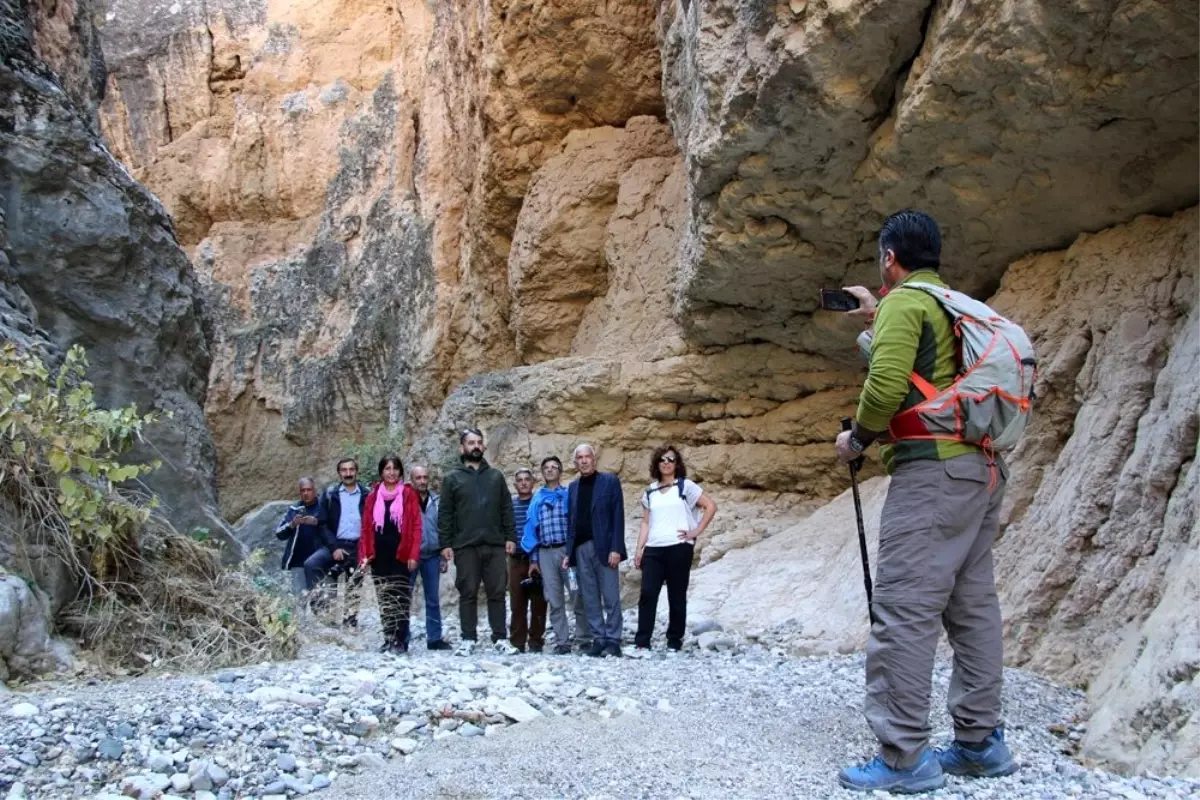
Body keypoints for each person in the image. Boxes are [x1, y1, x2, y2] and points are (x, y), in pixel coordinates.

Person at [835, 210, 1016, 793]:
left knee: (904, 610)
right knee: (972, 608)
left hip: (931, 476)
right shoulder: (950, 305)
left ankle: (903, 756)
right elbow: (926, 381)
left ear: (890, 258)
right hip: (979, 471)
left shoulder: (903, 305)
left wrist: (857, 438)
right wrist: (873, 319)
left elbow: (886, 388)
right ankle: (979, 743)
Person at [438, 428, 519, 656]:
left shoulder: (495, 476)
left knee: (497, 592)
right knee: (468, 592)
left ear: (483, 447)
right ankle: (468, 638)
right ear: (461, 448)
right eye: (470, 442)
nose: (475, 446)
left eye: (479, 442)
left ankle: (500, 638)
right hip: (465, 545)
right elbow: (445, 513)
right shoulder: (452, 478)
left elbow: (506, 509)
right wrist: (445, 543)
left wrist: (511, 537)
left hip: (494, 544)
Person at [631, 445, 717, 656]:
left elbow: (710, 506)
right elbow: (645, 522)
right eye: (662, 459)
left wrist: (695, 531)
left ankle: (674, 642)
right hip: (654, 547)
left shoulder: (685, 486)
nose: (666, 463)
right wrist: (639, 548)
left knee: (676, 595)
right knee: (648, 594)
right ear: (656, 464)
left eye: (671, 459)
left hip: (679, 547)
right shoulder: (650, 491)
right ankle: (642, 642)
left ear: (677, 464)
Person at [564, 444, 626, 658]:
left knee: (610, 595)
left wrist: (616, 548)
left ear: (594, 459)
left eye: (587, 457)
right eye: (579, 457)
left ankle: (613, 640)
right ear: (575, 462)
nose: (583, 461)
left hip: (605, 547)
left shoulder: (609, 482)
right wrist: (568, 552)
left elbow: (618, 516)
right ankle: (599, 639)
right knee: (589, 597)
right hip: (580, 550)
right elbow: (571, 521)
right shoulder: (573, 487)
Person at [359, 455, 421, 654]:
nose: (391, 472)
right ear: (381, 472)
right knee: (384, 596)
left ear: (400, 472)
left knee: (400, 596)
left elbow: (416, 527)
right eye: (387, 468)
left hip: (401, 553)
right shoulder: (372, 496)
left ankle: (401, 640)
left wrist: (413, 554)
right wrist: (365, 555)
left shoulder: (408, 494)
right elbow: (366, 528)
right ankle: (388, 637)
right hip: (379, 554)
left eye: (395, 468)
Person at [521, 456, 579, 655]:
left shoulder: (569, 495)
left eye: (555, 467)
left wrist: (573, 552)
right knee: (554, 599)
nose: (551, 470)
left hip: (566, 552)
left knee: (576, 594)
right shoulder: (537, 499)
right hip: (545, 553)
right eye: (547, 467)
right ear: (542, 472)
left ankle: (585, 638)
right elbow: (532, 530)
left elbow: (575, 525)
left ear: (560, 471)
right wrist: (534, 560)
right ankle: (563, 642)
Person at [305, 458, 367, 626]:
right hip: (334, 544)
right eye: (344, 470)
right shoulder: (330, 494)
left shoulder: (367, 494)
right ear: (339, 473)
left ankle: (350, 624)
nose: (348, 473)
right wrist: (334, 547)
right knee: (312, 564)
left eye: (351, 470)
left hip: (356, 546)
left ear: (356, 472)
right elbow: (322, 523)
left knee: (354, 584)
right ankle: (325, 613)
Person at [408, 465, 451, 650]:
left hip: (433, 555)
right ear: (412, 480)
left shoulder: (437, 501)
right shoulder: (405, 501)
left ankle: (434, 638)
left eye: (425, 477)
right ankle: (401, 638)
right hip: (411, 556)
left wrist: (443, 553)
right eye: (418, 478)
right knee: (405, 597)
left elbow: (443, 527)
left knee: (432, 599)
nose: (422, 481)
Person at [508, 468, 547, 653]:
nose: (523, 483)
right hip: (516, 559)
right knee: (517, 602)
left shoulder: (539, 503)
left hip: (538, 560)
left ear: (533, 483)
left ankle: (536, 642)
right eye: (520, 480)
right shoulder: (509, 505)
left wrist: (537, 558)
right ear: (515, 485)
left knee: (539, 602)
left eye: (527, 479)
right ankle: (517, 642)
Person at [274, 477, 325, 601]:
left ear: (315, 490)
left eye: (309, 490)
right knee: (299, 602)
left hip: (318, 563)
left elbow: (332, 529)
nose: (306, 493)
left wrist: (317, 522)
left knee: (320, 602)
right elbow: (279, 533)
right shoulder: (294, 509)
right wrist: (292, 524)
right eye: (303, 490)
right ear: (300, 492)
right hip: (298, 563)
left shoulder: (323, 507)